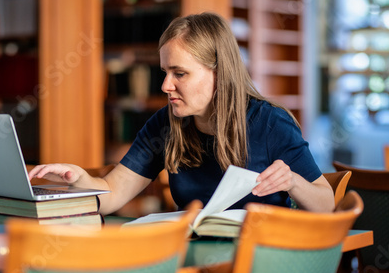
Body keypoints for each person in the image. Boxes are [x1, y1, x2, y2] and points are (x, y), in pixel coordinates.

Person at [29, 12, 334, 214]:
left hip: (263, 262)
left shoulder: (270, 123)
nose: (165, 85)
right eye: (164, 72)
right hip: (198, 263)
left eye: (180, 74)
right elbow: (112, 193)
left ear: (219, 73)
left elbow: (326, 203)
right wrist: (80, 179)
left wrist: (293, 181)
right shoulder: (166, 123)